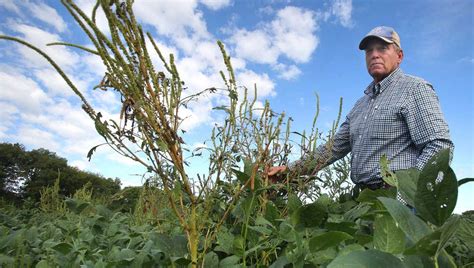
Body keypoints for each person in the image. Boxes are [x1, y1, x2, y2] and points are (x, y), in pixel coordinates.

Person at [268, 26, 454, 191]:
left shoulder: (414, 88)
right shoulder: (360, 105)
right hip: (363, 198)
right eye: (369, 51)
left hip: (398, 198)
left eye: (383, 48)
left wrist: (411, 194)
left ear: (399, 56)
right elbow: (332, 149)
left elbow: (439, 146)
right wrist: (290, 170)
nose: (374, 55)